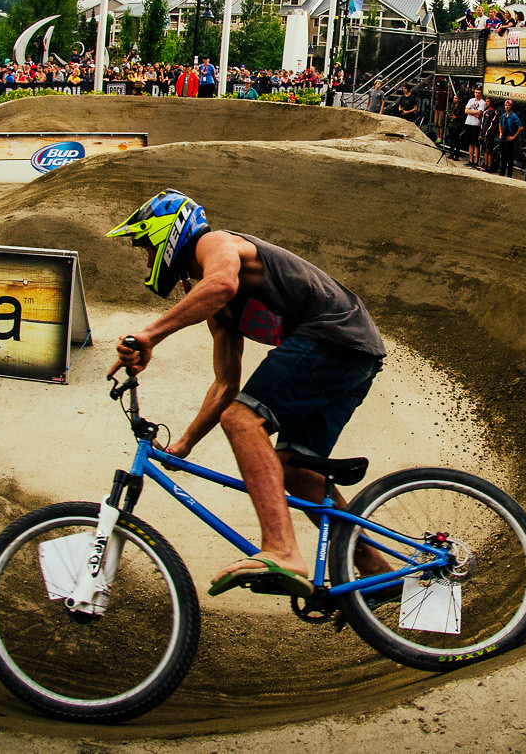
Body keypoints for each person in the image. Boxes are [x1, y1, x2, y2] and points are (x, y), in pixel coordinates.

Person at [106, 190, 389, 598]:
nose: (145, 258)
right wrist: (183, 444)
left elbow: (221, 283)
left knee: (242, 420)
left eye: (145, 246)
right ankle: (377, 571)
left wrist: (150, 334)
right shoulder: (218, 307)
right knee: (293, 470)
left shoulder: (215, 244)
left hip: (334, 339)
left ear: (166, 233)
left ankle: (281, 551)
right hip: (352, 356)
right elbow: (226, 385)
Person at [497, 99, 523, 177]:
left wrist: (514, 137)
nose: (507, 107)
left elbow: (521, 127)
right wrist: (500, 133)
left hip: (509, 138)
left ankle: (509, 174)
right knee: (503, 156)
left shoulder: (514, 116)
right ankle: (502, 172)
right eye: (506, 105)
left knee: (509, 157)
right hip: (503, 138)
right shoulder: (504, 115)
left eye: (508, 105)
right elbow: (500, 124)